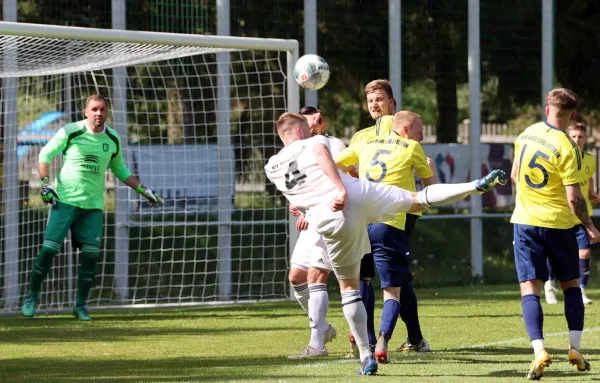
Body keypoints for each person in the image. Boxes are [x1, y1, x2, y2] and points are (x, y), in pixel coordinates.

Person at [265, 112, 506, 375]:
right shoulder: (314, 142)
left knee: (349, 289)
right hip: (355, 193)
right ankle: (475, 185)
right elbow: (323, 156)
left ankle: (366, 355)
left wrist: (321, 199)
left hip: (330, 217)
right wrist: (341, 188)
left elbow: (300, 195)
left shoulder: (272, 166)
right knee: (417, 198)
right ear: (301, 132)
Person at [21, 94, 164, 321]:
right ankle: (31, 297)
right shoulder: (71, 131)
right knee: (48, 250)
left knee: (90, 256)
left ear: (107, 112)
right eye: (94, 109)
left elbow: (121, 171)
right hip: (65, 202)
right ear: (86, 112)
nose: (98, 113)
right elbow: (45, 153)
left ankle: (80, 306)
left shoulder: (112, 138)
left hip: (93, 207)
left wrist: (143, 190)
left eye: (103, 109)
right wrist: (46, 185)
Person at [510, 88, 597, 379]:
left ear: (547, 109)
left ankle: (539, 350)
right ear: (572, 115)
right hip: (559, 226)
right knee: (571, 285)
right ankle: (574, 348)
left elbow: (513, 175)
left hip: (525, 222)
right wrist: (590, 226)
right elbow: (574, 198)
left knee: (529, 288)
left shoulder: (526, 135)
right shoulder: (569, 147)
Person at [336, 110, 436, 363]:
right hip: (390, 223)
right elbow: (432, 191)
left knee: (361, 281)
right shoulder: (412, 147)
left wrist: (354, 178)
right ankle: (382, 342)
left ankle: (363, 341)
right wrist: (431, 169)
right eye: (419, 128)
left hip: (362, 221)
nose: (422, 134)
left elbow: (338, 163)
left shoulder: (365, 142)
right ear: (404, 130)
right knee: (393, 290)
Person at [287, 106, 346, 358]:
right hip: (310, 219)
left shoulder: (333, 144)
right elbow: (298, 185)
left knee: (317, 277)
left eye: (317, 120)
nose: (313, 124)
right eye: (308, 121)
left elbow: (340, 177)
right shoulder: (298, 149)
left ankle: (317, 343)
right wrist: (300, 210)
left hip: (332, 216)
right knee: (295, 278)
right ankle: (323, 328)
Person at [544, 122, 599, 305]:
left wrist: (591, 194)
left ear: (585, 138)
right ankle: (550, 286)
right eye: (573, 136)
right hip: (561, 214)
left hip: (582, 216)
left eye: (580, 136)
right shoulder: (562, 156)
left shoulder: (590, 160)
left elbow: (588, 177)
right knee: (556, 254)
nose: (576, 140)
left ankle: (581, 291)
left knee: (583, 253)